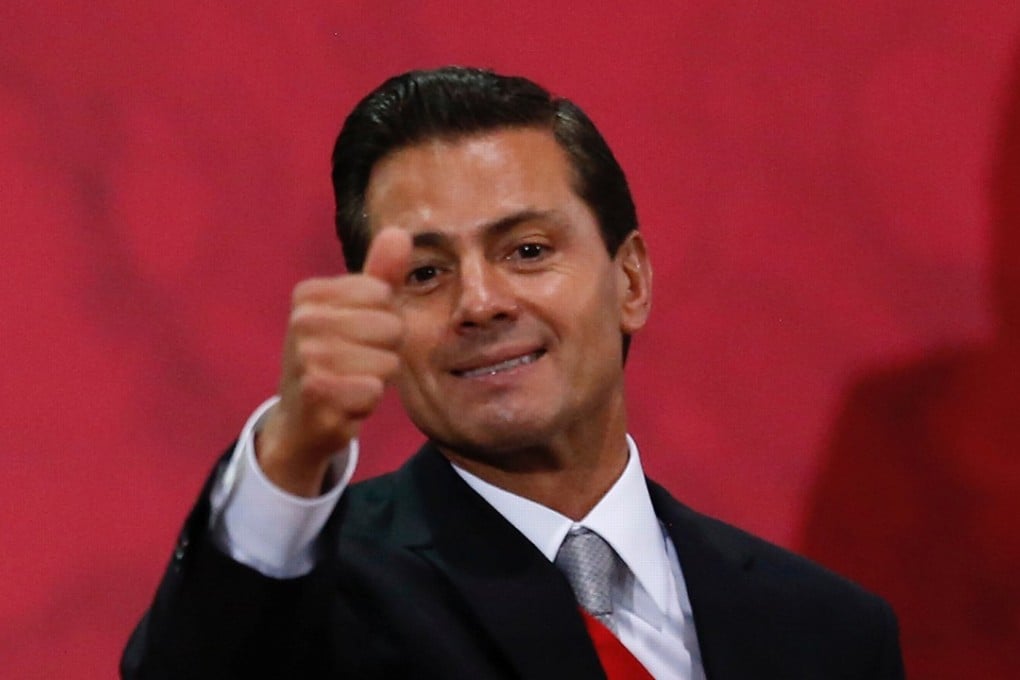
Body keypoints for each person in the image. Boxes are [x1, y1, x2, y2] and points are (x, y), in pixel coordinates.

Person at [122, 67, 904, 679]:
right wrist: (290, 457)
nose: (481, 302)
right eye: (424, 274)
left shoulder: (827, 633)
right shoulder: (322, 607)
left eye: (527, 250)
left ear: (629, 281)